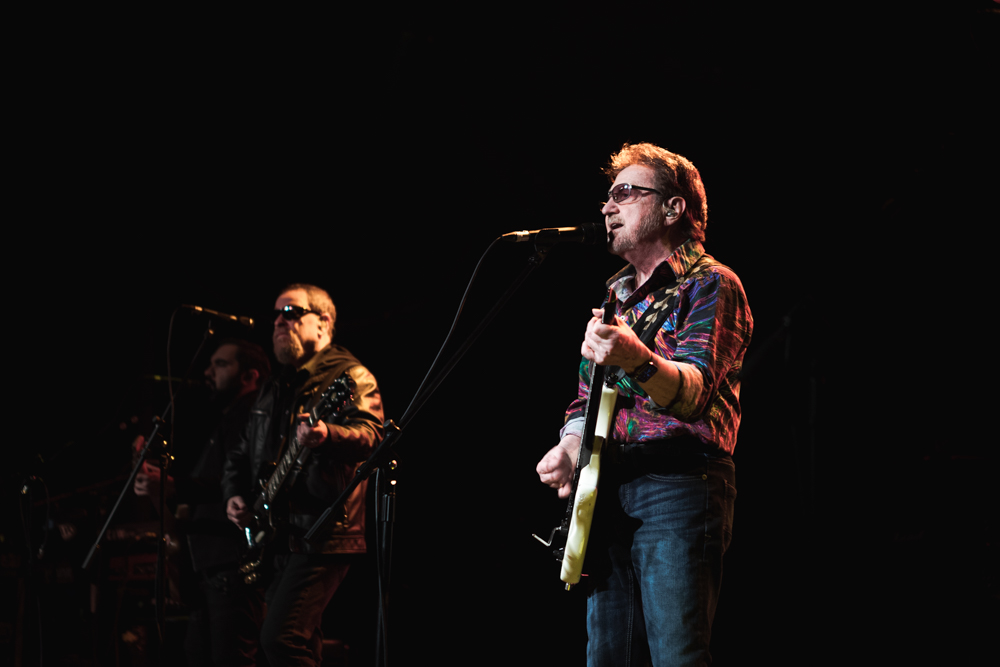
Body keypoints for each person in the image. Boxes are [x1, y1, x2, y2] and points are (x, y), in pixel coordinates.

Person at [536, 143, 752, 666]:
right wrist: (570, 443)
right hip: (610, 484)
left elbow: (696, 393)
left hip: (680, 485)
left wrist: (635, 356)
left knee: (677, 656)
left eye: (625, 193)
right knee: (607, 656)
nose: (608, 207)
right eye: (608, 196)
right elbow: (588, 396)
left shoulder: (711, 284)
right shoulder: (616, 293)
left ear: (674, 209)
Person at [222, 283, 384, 665]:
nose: (279, 321)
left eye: (291, 313)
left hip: (323, 531)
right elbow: (239, 454)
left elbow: (373, 437)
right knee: (299, 641)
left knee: (280, 639)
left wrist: (328, 434)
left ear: (323, 321)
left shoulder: (351, 375)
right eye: (277, 314)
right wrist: (234, 495)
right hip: (278, 532)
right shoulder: (275, 385)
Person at [134, 338, 271, 666]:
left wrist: (169, 484)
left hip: (231, 565)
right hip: (212, 567)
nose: (208, 372)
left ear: (249, 375)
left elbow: (240, 484)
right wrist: (159, 483)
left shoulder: (251, 416)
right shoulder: (228, 419)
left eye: (220, 364)